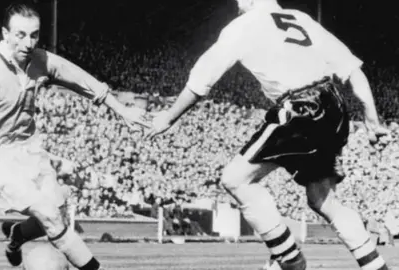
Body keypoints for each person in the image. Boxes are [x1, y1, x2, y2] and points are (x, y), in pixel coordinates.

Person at [146, 0, 390, 269]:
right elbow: (352, 69)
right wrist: (371, 118)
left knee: (236, 179)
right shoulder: (300, 18)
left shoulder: (244, 25)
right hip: (335, 106)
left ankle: (289, 259)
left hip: (301, 106)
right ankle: (375, 265)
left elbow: (203, 77)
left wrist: (168, 117)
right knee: (324, 199)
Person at [0, 2, 148, 270]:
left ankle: (18, 234)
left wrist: (121, 109)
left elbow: (83, 81)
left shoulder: (41, 61)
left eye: (34, 35)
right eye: (20, 34)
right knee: (50, 217)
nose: (28, 42)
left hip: (30, 151)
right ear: (5, 34)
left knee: (56, 213)